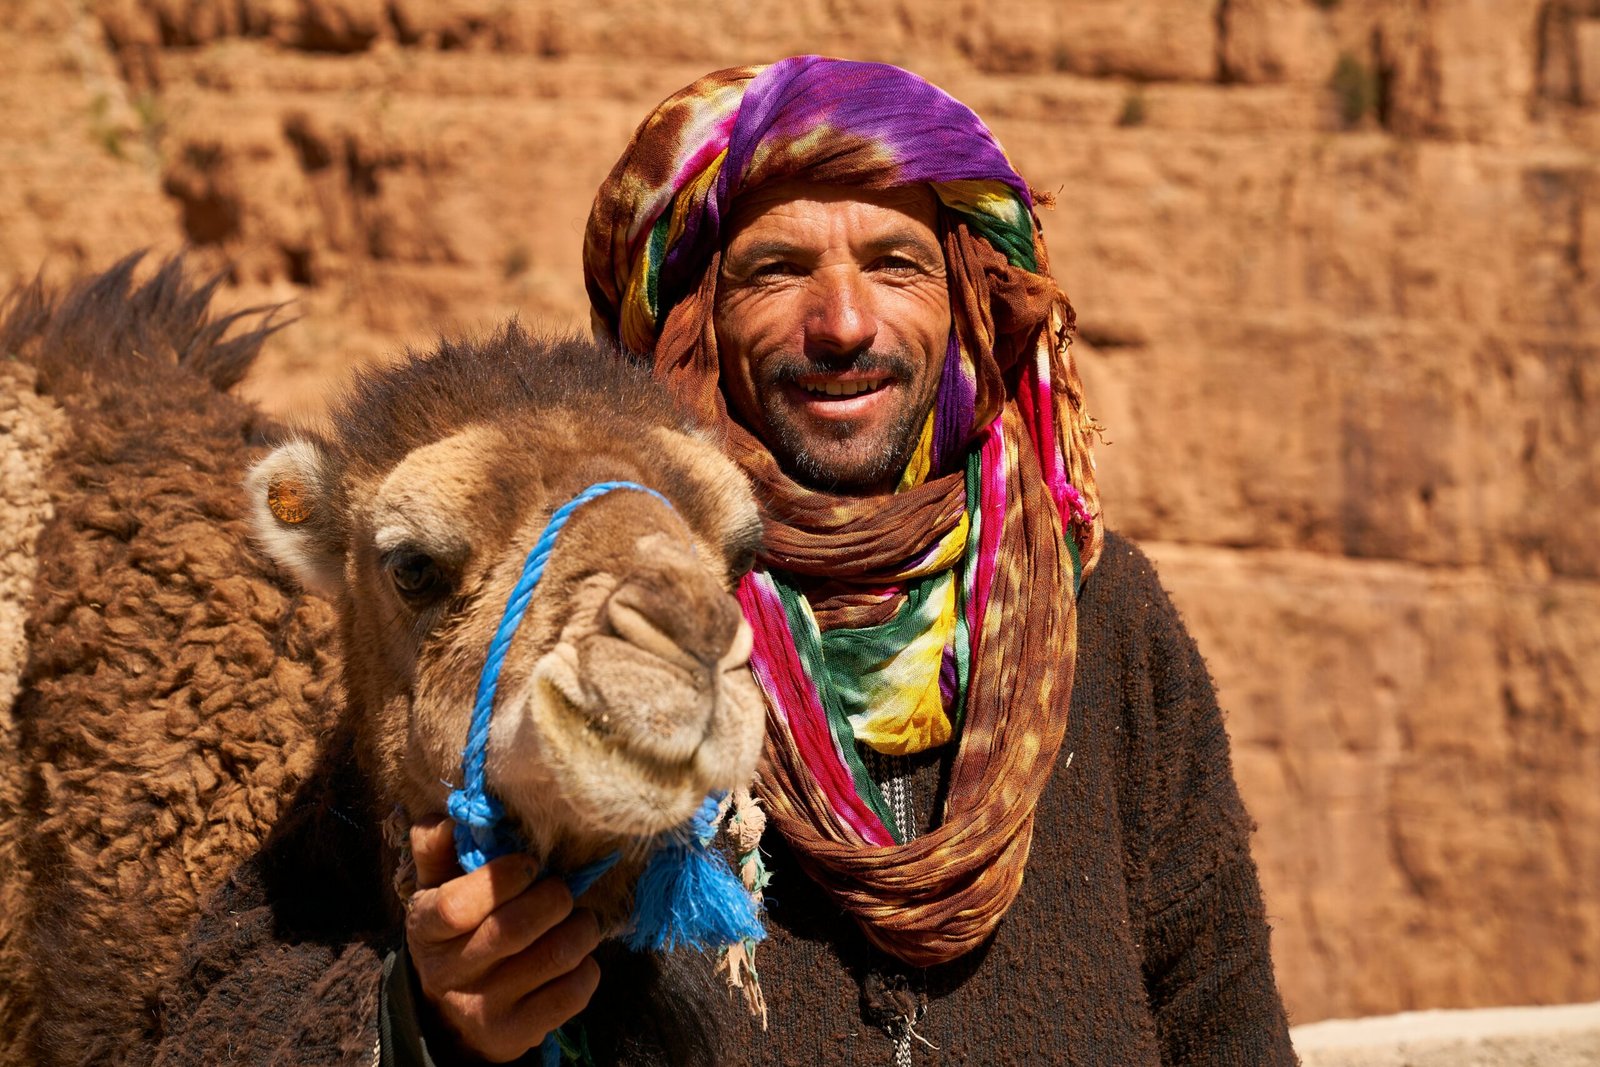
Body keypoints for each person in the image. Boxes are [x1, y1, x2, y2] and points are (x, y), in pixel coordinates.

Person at [150, 57, 1298, 1066]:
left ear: (963, 302)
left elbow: (1221, 1017)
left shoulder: (1103, 619)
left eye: (896, 262)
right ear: (694, 314)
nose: (843, 319)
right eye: (776, 269)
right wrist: (423, 1022)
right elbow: (244, 995)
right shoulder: (533, 627)